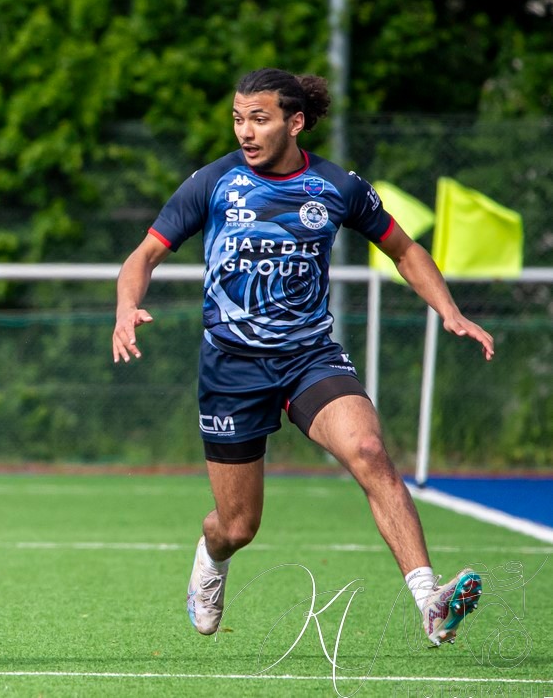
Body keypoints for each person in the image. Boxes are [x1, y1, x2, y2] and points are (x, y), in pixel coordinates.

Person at [112, 68, 491, 648]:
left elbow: (403, 248)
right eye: (238, 118)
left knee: (369, 451)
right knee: (239, 526)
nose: (245, 130)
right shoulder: (213, 183)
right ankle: (210, 560)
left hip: (310, 357)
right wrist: (126, 308)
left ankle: (430, 602)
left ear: (294, 122)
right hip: (232, 368)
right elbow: (142, 257)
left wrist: (450, 309)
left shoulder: (336, 186)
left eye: (258, 118)